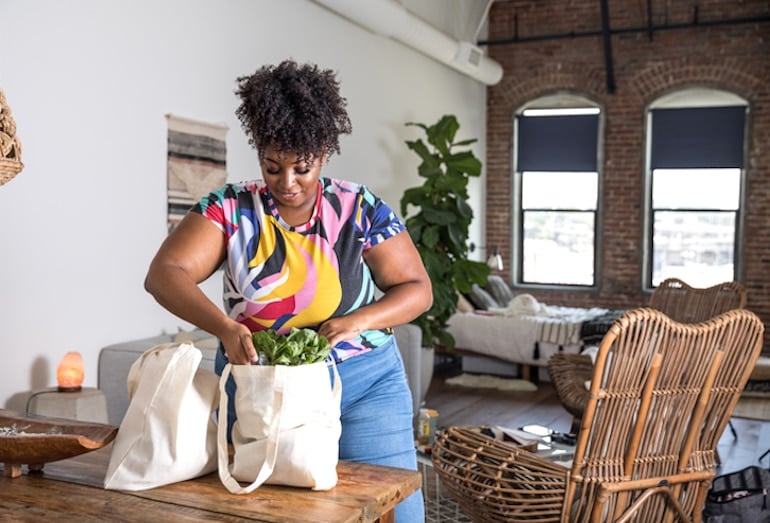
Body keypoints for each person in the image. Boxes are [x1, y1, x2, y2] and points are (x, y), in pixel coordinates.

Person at [144, 59, 432, 522]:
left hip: (364, 381)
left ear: (324, 151)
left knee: (396, 509)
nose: (287, 183)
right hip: (260, 387)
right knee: (271, 510)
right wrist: (224, 327)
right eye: (272, 166)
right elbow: (164, 273)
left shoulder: (360, 208)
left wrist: (355, 321)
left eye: (302, 167)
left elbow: (418, 289)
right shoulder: (229, 209)